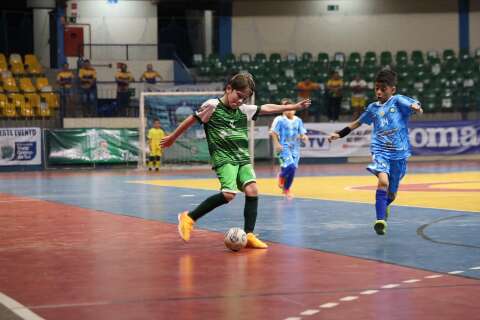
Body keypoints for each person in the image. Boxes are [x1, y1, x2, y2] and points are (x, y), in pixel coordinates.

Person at [161, 73, 311, 248]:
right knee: (228, 194)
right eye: (239, 96)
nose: (240, 101)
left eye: (244, 99)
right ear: (229, 89)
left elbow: (267, 108)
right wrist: (173, 137)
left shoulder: (243, 110)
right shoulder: (212, 106)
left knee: (253, 189)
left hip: (242, 158)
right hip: (224, 157)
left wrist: (294, 106)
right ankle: (188, 218)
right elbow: (191, 120)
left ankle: (249, 235)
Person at [327, 69, 423, 235]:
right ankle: (380, 220)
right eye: (376, 88)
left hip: (399, 155)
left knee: (391, 194)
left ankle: (384, 206)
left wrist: (417, 108)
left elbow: (416, 106)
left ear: (392, 89)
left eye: (382, 89)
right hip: (380, 151)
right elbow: (357, 123)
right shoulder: (372, 108)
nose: (378, 92)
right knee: (383, 182)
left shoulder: (399, 101)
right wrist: (339, 134)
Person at [271, 98, 308, 199]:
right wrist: (277, 144)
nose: (288, 110)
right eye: (285, 108)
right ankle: (281, 176)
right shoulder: (279, 119)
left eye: (290, 107)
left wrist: (304, 137)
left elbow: (302, 133)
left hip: (295, 149)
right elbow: (273, 132)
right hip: (283, 147)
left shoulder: (298, 120)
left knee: (292, 170)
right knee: (290, 167)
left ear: (294, 108)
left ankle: (286, 189)